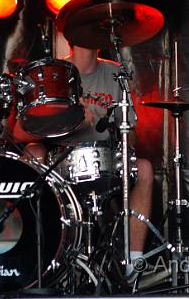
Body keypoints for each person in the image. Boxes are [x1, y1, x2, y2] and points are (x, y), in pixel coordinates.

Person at [22, 27, 154, 276]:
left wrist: (123, 136)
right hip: (60, 161)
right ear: (73, 35)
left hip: (106, 159)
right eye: (87, 26)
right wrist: (67, 122)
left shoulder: (116, 73)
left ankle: (132, 262)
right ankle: (34, 254)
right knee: (32, 153)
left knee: (145, 168)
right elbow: (21, 131)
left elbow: (132, 135)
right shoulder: (55, 74)